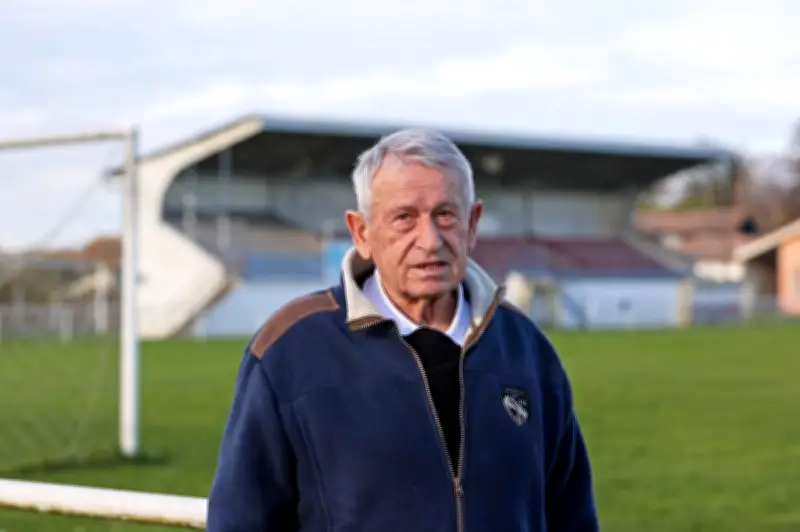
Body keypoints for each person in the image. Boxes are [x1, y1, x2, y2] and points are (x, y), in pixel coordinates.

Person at [206, 128, 600, 531]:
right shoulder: (289, 350)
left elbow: (572, 516)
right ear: (362, 233)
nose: (429, 241)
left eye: (445, 214)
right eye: (404, 218)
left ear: (473, 223)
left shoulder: (527, 349)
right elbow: (242, 519)